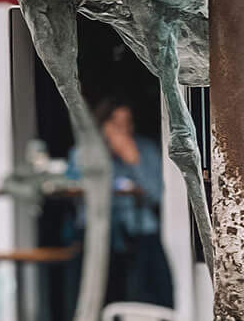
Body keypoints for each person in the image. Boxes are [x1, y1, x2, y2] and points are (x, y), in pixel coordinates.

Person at [74, 101, 174, 309]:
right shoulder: (85, 152)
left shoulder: (144, 150)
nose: (122, 129)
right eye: (115, 123)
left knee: (155, 288)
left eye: (127, 123)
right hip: (101, 231)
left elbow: (156, 194)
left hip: (140, 229)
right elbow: (75, 187)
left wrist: (132, 160)